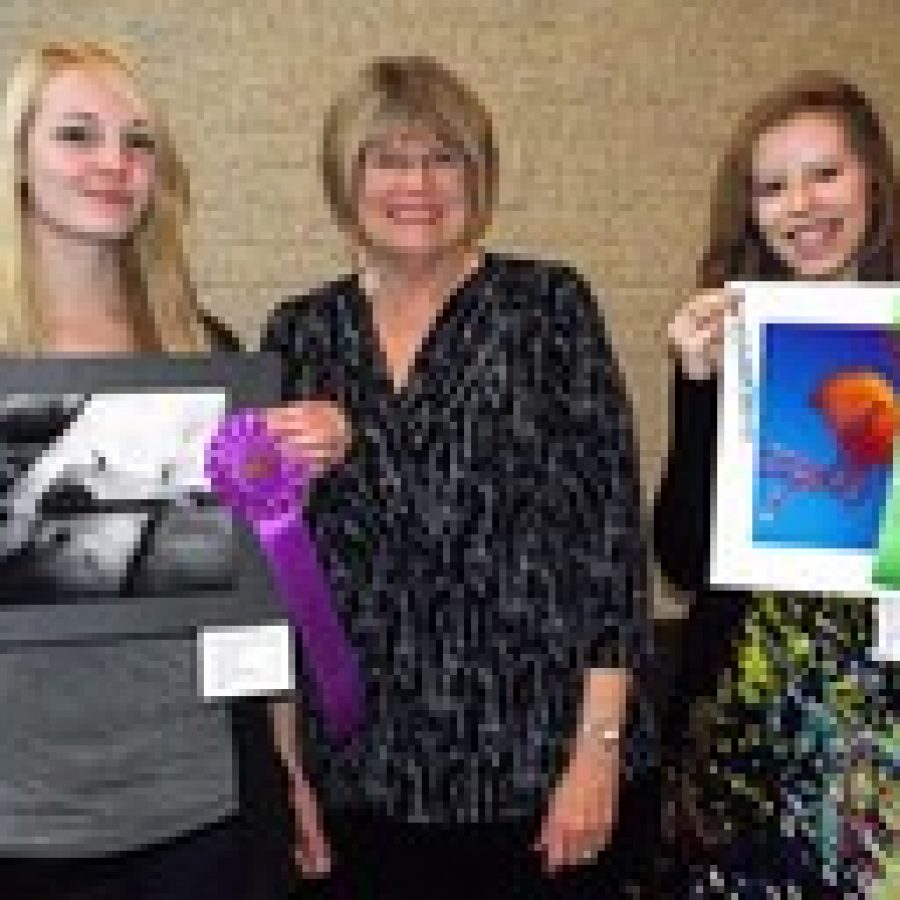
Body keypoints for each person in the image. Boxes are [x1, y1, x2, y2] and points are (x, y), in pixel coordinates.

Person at [262, 55, 656, 899]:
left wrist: (598, 756)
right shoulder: (299, 331)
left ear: (478, 178)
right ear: (346, 176)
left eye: (444, 158)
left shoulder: (548, 307)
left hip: (537, 776)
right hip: (359, 783)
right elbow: (276, 580)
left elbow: (612, 545)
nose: (418, 183)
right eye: (388, 158)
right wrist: (286, 768)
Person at [0, 40, 290, 899]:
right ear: (17, 159)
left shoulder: (207, 353)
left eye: (138, 142)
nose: (112, 164)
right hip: (18, 819)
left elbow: (258, 591)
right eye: (77, 135)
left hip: (199, 810)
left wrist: (285, 761)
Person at [654, 71, 899, 895]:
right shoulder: (730, 343)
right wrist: (695, 387)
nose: (802, 204)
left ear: (873, 180)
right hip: (748, 717)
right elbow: (685, 560)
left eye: (825, 173)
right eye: (772, 186)